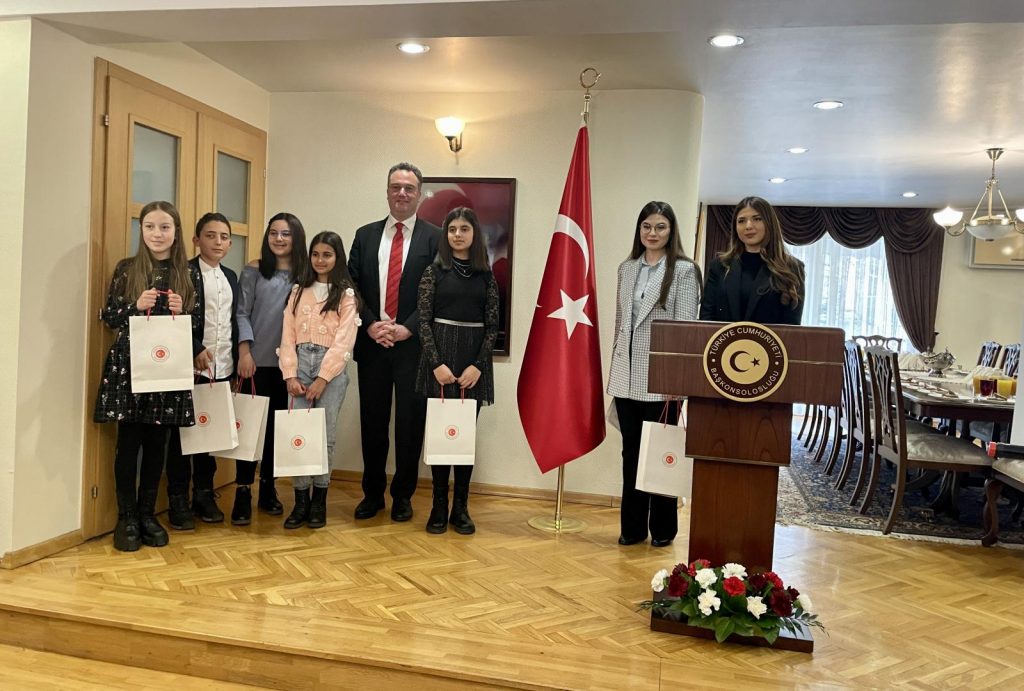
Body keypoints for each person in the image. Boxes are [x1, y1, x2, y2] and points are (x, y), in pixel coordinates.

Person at [93, 200, 200, 552]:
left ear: (176, 232)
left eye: (165, 227)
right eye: (150, 226)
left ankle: (147, 514)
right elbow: (110, 317)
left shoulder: (188, 273)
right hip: (130, 367)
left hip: (168, 370)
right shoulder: (127, 269)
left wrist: (182, 312)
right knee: (129, 442)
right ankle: (126, 518)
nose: (157, 233)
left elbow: (197, 327)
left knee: (157, 444)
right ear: (141, 230)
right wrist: (134, 307)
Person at [348, 162, 441, 522]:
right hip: (373, 345)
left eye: (409, 188)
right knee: (372, 423)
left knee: (409, 426)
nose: (402, 193)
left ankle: (403, 495)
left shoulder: (435, 238)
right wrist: (371, 324)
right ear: (387, 192)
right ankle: (372, 495)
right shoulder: (365, 235)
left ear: (419, 194)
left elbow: (436, 292)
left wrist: (408, 328)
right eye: (395, 187)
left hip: (413, 349)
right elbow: (351, 286)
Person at [607, 201, 701, 548]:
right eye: (646, 226)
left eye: (660, 227)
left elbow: (686, 331)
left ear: (671, 231)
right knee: (630, 453)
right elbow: (621, 323)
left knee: (661, 452)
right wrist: (614, 371)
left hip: (663, 380)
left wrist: (678, 381)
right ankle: (632, 528)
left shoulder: (684, 271)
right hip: (626, 376)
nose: (652, 233)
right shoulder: (627, 268)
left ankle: (663, 528)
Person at [415, 207, 499, 535]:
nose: (458, 234)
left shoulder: (486, 276)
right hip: (439, 362)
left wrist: (478, 366)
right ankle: (438, 506)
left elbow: (492, 326)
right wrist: (436, 364)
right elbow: (423, 321)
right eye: (452, 229)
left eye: (464, 229)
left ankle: (460, 508)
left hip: (472, 365)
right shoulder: (433, 272)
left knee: (463, 438)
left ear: (475, 234)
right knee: (441, 436)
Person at [279, 231, 360, 529]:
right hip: (299, 366)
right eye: (316, 254)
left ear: (337, 257)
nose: (320, 260)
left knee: (325, 436)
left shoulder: (346, 295)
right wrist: (290, 374)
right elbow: (287, 334)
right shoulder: (298, 291)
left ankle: (319, 501)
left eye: (327, 254)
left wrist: (323, 378)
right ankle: (300, 499)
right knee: (299, 434)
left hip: (332, 372)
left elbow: (344, 341)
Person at [165, 212, 240, 530]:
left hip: (221, 367)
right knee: (183, 436)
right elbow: (173, 316)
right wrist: (195, 348)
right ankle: (178, 498)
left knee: (209, 434)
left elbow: (234, 321)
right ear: (196, 240)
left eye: (224, 237)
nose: (218, 242)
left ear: (230, 243)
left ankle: (204, 494)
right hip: (189, 366)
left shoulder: (231, 276)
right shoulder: (183, 272)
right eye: (210, 235)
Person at [233, 212, 308, 525]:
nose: (279, 239)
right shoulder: (253, 270)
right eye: (274, 233)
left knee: (278, 430)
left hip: (291, 367)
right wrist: (244, 351)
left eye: (286, 234)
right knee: (249, 429)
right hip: (256, 362)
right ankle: (242, 491)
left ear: (296, 238)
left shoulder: (307, 275)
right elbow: (241, 313)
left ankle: (268, 488)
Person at [699, 196, 805, 325]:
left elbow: (792, 326)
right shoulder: (719, 266)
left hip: (772, 339)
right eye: (741, 221)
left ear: (769, 223)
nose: (748, 226)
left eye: (757, 219)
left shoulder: (793, 267)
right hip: (723, 338)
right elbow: (707, 318)